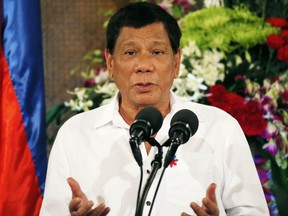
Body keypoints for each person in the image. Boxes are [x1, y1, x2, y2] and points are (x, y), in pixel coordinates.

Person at [40, 2, 269, 216]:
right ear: (110, 63)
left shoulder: (220, 128)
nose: (144, 66)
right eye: (130, 53)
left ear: (176, 61)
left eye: (157, 52)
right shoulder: (75, 135)